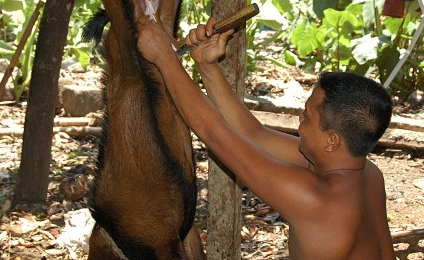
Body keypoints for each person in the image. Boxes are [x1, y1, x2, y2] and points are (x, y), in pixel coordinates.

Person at [136, 14, 396, 259]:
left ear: (331, 141)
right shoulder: (367, 173)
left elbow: (217, 136)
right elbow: (253, 135)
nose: (300, 122)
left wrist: (164, 58)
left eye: (306, 117)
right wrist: (207, 65)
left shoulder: (315, 200)